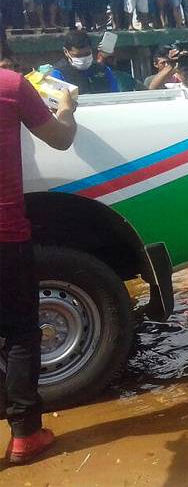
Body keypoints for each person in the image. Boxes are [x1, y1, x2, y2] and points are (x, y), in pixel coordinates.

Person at [1, 66, 76, 465]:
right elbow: (62, 139)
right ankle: (25, 435)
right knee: (19, 334)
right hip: (5, 235)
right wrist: (67, 107)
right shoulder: (12, 85)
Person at [48, 29, 119, 94]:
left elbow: (115, 94)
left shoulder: (104, 70)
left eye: (87, 54)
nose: (83, 58)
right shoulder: (58, 74)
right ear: (66, 52)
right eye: (78, 55)